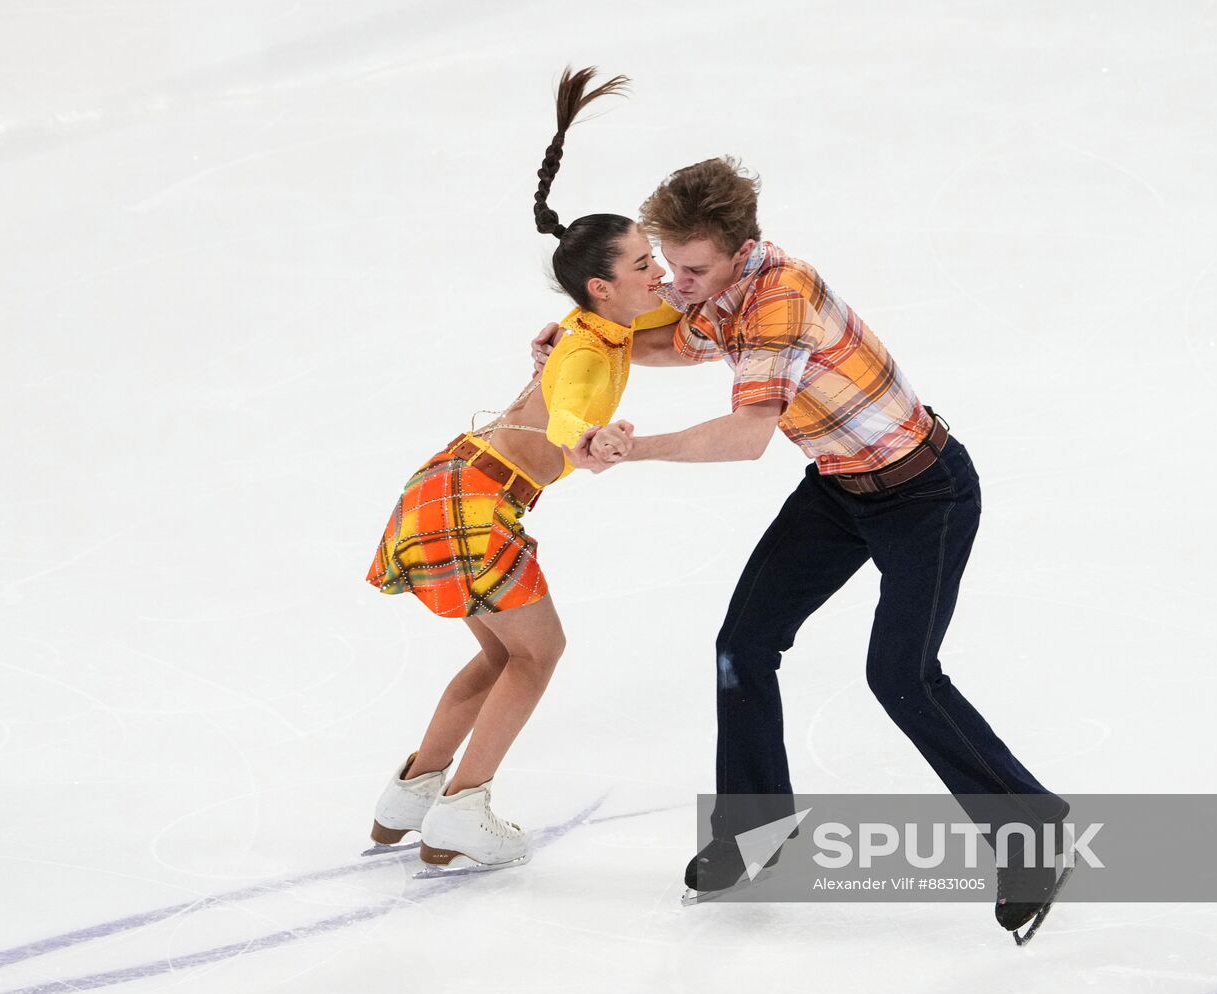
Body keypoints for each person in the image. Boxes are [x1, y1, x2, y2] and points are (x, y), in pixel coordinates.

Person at [534, 157, 1070, 933]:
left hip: (924, 494)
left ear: (735, 248)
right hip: (840, 489)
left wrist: (633, 448)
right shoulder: (719, 290)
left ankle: (1030, 828)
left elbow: (747, 437)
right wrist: (588, 334)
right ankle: (753, 829)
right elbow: (669, 344)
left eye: (689, 269)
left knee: (901, 676)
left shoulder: (779, 298)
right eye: (669, 266)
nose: (675, 285)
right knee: (741, 644)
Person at [363, 67, 675, 871]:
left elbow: (686, 316)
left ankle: (412, 794)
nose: (660, 272)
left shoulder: (596, 323)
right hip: (473, 500)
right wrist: (585, 441)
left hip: (450, 486)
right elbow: (569, 406)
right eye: (644, 263)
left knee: (504, 655)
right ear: (603, 286)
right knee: (538, 654)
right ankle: (462, 809)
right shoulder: (580, 345)